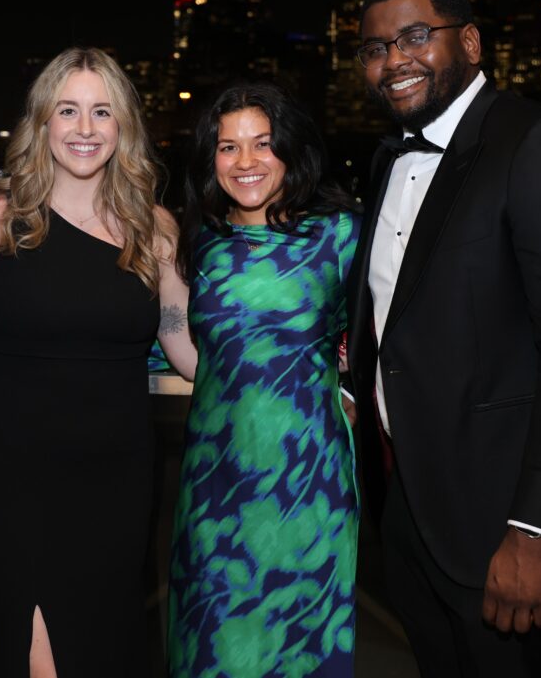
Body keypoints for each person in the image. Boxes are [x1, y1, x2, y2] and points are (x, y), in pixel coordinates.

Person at [345, 0, 541, 677]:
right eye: (376, 47)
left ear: (470, 42)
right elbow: (396, 320)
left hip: (511, 531)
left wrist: (536, 533)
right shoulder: (387, 161)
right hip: (414, 517)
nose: (394, 59)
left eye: (416, 36)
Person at [0, 46, 197, 677]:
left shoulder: (155, 228)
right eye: (67, 110)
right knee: (38, 657)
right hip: (18, 477)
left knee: (105, 651)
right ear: (42, 123)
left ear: (124, 126)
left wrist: (292, 366)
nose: (85, 128)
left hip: (117, 480)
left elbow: (183, 348)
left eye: (102, 112)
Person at [169, 81, 361, 676]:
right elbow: (176, 343)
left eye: (263, 144)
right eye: (228, 147)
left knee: (304, 650)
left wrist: (349, 385)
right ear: (210, 159)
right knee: (215, 650)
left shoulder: (341, 235)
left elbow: (386, 337)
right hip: (215, 490)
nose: (245, 162)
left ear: (291, 151)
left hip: (310, 488)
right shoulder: (197, 242)